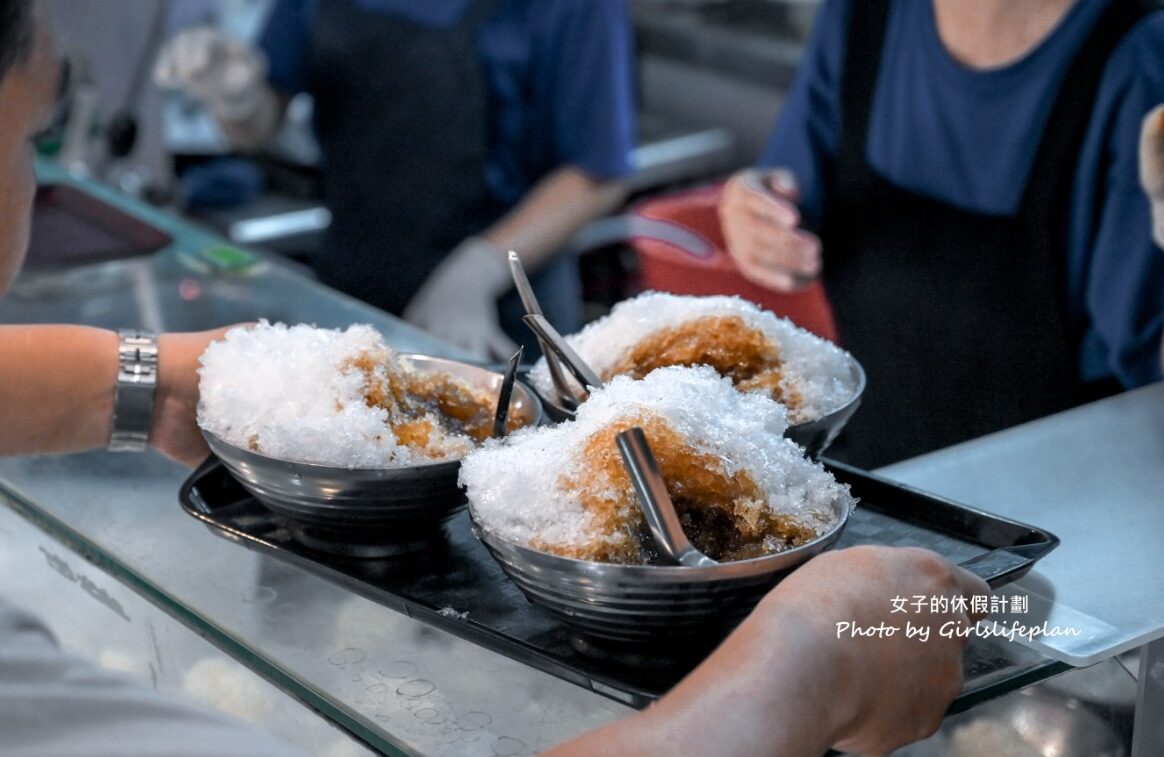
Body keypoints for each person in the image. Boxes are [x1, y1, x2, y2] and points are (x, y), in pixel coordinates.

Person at [1, 5, 990, 754]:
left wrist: (144, 382)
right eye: (31, 140)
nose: (37, 187)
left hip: (491, 346)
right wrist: (800, 672)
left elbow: (599, 164)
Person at [719, 0, 1164, 469]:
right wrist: (753, 215)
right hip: (885, 484)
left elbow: (1148, 357)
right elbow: (788, 202)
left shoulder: (1141, 54)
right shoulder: (860, 15)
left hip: (1070, 507)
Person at [154, 0, 637, 359]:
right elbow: (260, 125)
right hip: (352, 283)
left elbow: (596, 174)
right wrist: (236, 99)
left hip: (504, 312)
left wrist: (478, 271)